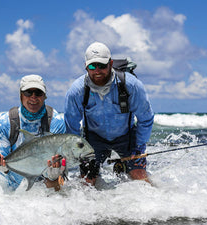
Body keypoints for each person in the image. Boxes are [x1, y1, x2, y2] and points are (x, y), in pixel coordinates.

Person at [64, 42, 154, 185]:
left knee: (139, 175)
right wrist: (79, 154)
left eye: (102, 65)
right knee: (87, 182)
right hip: (93, 139)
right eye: (92, 66)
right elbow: (72, 127)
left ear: (111, 64)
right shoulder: (76, 91)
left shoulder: (131, 85)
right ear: (86, 66)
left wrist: (139, 147)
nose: (97, 70)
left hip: (126, 136)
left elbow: (146, 119)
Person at [0, 74, 66, 191]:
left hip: (44, 185)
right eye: (28, 93)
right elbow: (3, 170)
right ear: (21, 95)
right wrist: (3, 167)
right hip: (13, 188)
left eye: (38, 93)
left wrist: (53, 174)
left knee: (55, 180)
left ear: (44, 96)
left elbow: (57, 163)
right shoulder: (5, 122)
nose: (33, 97)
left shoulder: (56, 122)